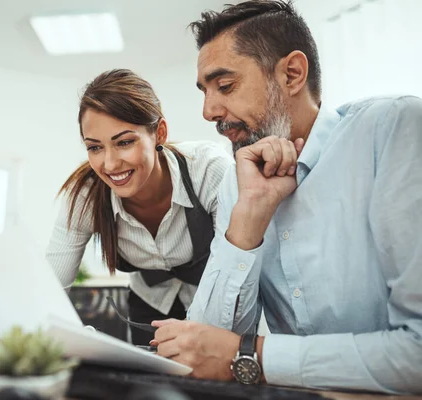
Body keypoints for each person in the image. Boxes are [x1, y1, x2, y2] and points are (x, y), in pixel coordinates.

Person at [150, 0, 422, 394]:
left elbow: (417, 349)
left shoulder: (393, 131)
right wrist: (247, 222)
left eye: (225, 86)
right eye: (205, 92)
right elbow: (203, 350)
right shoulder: (236, 182)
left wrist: (253, 356)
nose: (209, 111)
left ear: (292, 74)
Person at [0, 69, 234, 361]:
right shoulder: (84, 197)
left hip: (217, 298)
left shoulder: (209, 171)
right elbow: (46, 291)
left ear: (159, 132)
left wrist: (205, 336)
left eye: (124, 142)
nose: (109, 164)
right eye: (95, 147)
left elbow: (232, 271)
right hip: (149, 306)